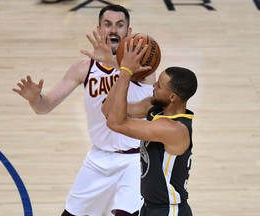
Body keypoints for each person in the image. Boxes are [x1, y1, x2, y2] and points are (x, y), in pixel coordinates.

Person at [12, 4, 156, 216]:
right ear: (99, 30)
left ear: (129, 32)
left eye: (119, 25)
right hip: (99, 158)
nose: (113, 30)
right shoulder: (84, 67)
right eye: (107, 25)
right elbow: (46, 106)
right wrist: (35, 99)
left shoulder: (143, 64)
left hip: (133, 160)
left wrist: (113, 62)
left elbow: (136, 76)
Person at [102, 39, 198, 216]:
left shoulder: (174, 129)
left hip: (169, 211)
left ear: (172, 98)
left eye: (159, 86)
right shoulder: (155, 107)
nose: (153, 86)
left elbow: (116, 123)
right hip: (150, 206)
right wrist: (125, 74)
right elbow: (108, 111)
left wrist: (125, 72)